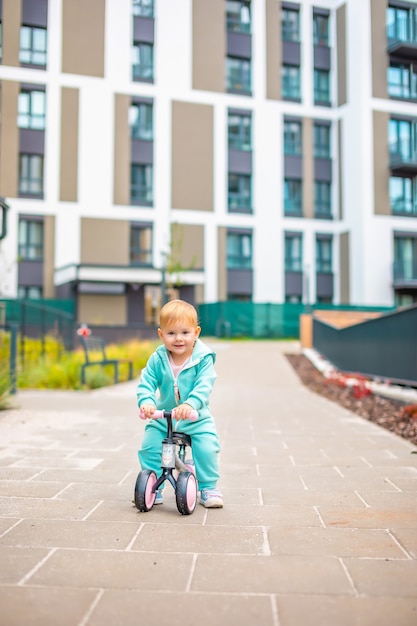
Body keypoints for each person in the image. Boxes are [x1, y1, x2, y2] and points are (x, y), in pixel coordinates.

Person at [136, 299, 223, 508]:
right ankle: (153, 485)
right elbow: (146, 382)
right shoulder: (158, 359)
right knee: (149, 446)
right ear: (161, 335)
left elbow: (204, 385)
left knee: (208, 446)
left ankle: (208, 487)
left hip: (195, 417)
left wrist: (191, 404)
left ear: (196, 332)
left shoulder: (203, 359)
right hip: (164, 417)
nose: (178, 339)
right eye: (171, 333)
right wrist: (147, 402)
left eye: (185, 332)